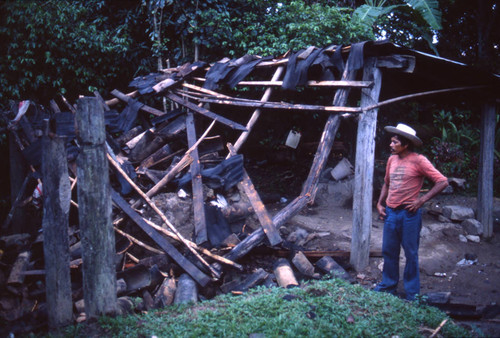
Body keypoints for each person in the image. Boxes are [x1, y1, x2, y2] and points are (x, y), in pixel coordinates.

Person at [374, 123, 449, 301]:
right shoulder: (392, 160)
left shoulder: (419, 160)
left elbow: (442, 181)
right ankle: (388, 286)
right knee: (389, 251)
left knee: (411, 254)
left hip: (409, 215)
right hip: (391, 213)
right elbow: (386, 183)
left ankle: (412, 293)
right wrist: (379, 203)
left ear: (405, 144)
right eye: (391, 141)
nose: (391, 145)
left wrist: (421, 200)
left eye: (395, 142)